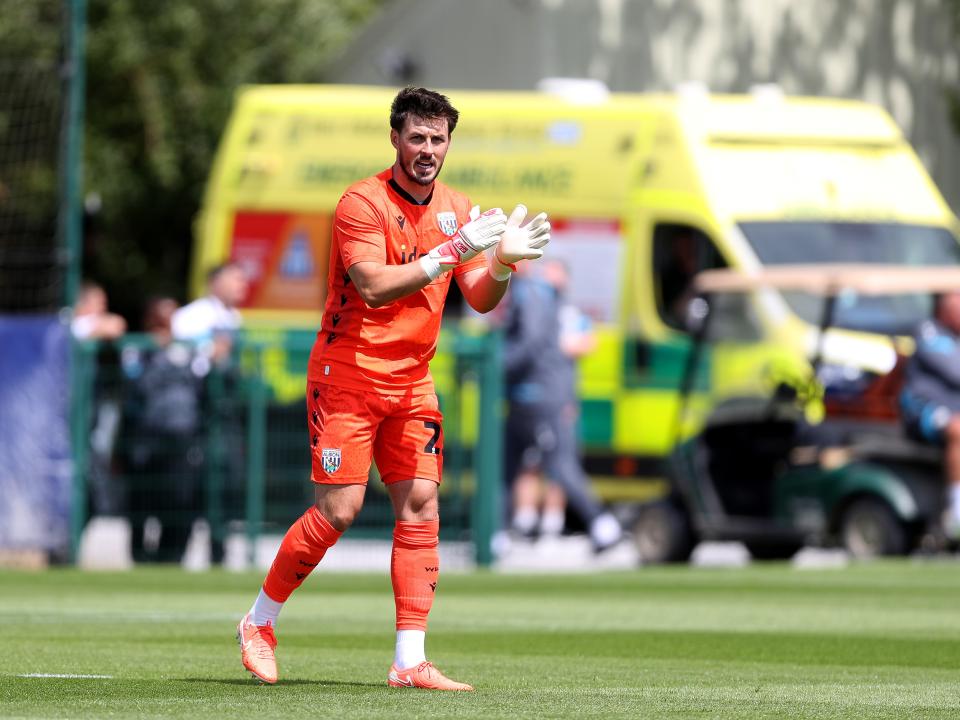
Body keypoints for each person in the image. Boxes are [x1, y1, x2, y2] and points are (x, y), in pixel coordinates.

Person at [235, 86, 550, 690]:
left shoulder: (457, 205)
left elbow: (479, 299)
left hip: (412, 381)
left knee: (421, 505)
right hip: (347, 375)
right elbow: (376, 285)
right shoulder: (361, 201)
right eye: (417, 138)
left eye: (438, 139)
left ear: (449, 142)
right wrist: (453, 250)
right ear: (395, 138)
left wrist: (503, 266)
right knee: (341, 509)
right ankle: (259, 621)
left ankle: (409, 660)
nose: (428, 150)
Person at [502, 260, 623, 551]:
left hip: (547, 396)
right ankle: (515, 525)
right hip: (535, 395)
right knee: (519, 466)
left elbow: (582, 343)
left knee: (558, 466)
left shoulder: (543, 301)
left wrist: (501, 363)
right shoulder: (537, 297)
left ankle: (596, 524)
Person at [172, 261, 249, 563]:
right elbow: (180, 359)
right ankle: (174, 555)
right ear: (215, 282)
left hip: (224, 416)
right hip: (196, 415)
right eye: (235, 278)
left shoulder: (234, 317)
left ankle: (219, 553)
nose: (242, 285)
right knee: (190, 488)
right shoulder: (192, 317)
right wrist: (209, 353)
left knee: (227, 482)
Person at [121, 296, 206, 564]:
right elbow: (136, 387)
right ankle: (140, 554)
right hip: (147, 439)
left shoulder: (187, 350)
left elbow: (199, 387)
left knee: (180, 499)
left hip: (181, 439)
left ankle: (171, 556)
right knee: (142, 499)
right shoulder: (137, 348)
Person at [900, 290, 960, 539]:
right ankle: (957, 513)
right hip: (923, 410)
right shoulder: (929, 331)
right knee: (958, 428)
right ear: (942, 305)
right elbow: (955, 371)